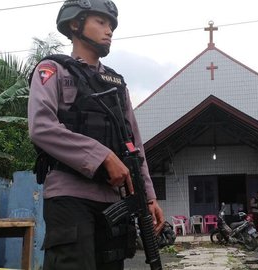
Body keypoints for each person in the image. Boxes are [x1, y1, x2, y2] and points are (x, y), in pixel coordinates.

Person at [27, 0, 165, 269]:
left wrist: (148, 196)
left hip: (113, 201)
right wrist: (102, 156)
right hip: (69, 196)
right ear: (75, 24)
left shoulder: (116, 83)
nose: (109, 30)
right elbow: (41, 126)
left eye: (111, 25)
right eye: (101, 22)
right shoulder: (53, 70)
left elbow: (134, 143)